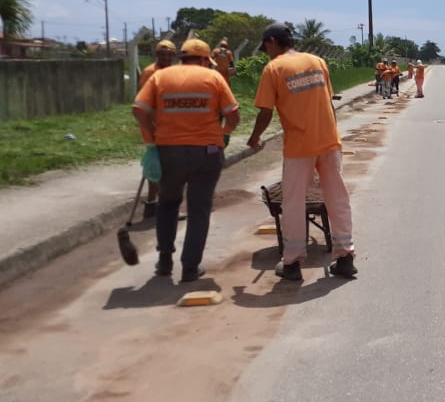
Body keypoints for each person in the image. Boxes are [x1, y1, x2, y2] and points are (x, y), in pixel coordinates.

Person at [247, 22, 357, 281]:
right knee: (337, 198)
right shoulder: (317, 61)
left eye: (266, 48)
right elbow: (328, 102)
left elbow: (265, 111)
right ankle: (345, 257)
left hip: (299, 147)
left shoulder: (274, 68)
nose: (266, 53)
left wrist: (254, 139)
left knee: (293, 203)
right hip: (329, 141)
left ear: (273, 41)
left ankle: (293, 263)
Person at [132, 38, 239, 282]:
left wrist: (151, 139)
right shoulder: (213, 78)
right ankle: (190, 267)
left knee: (167, 204)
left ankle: (165, 260)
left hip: (169, 151)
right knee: (199, 209)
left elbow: (139, 109)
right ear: (203, 59)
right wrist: (223, 134)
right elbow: (233, 116)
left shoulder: (160, 77)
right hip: (207, 152)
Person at [138, 39, 177, 218]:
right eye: (162, 54)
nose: (166, 57)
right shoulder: (150, 73)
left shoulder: (172, 72)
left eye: (169, 54)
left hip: (170, 127)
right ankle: (154, 204)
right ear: (157, 55)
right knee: (157, 168)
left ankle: (161, 205)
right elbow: (146, 104)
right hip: (155, 127)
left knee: (168, 168)